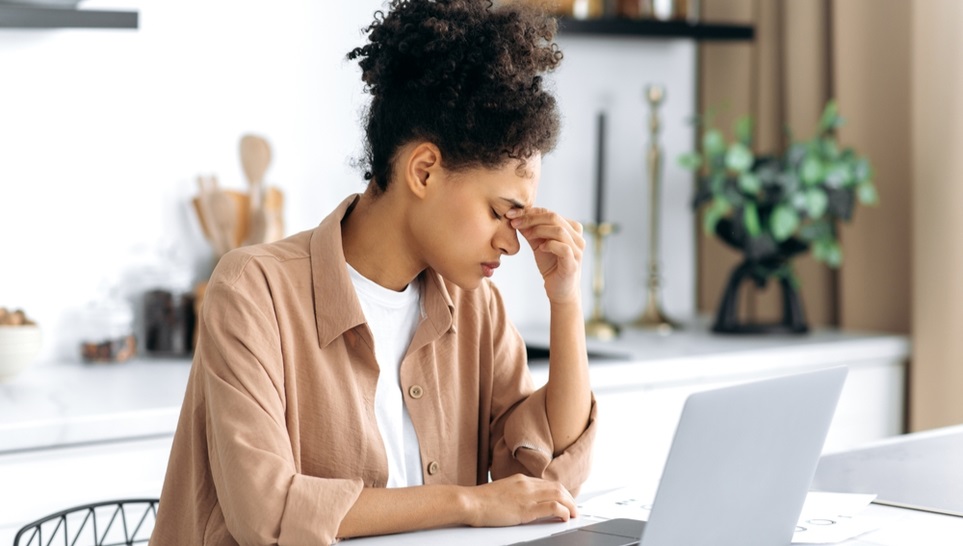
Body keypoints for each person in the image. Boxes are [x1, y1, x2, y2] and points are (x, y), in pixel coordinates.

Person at [151, 1, 596, 544]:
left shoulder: (476, 305)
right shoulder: (254, 291)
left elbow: (540, 480)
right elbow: (266, 511)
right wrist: (468, 503)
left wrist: (566, 302)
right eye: (500, 211)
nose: (511, 239)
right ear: (424, 170)